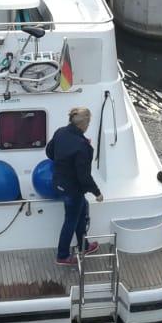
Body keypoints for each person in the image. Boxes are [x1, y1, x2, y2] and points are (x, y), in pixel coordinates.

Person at [46, 107, 102, 264]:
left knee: (81, 211)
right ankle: (62, 255)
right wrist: (97, 192)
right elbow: (83, 176)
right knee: (71, 220)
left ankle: (84, 245)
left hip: (59, 183)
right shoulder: (82, 146)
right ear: (84, 124)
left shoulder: (60, 132)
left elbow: (50, 152)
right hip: (73, 189)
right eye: (88, 122)